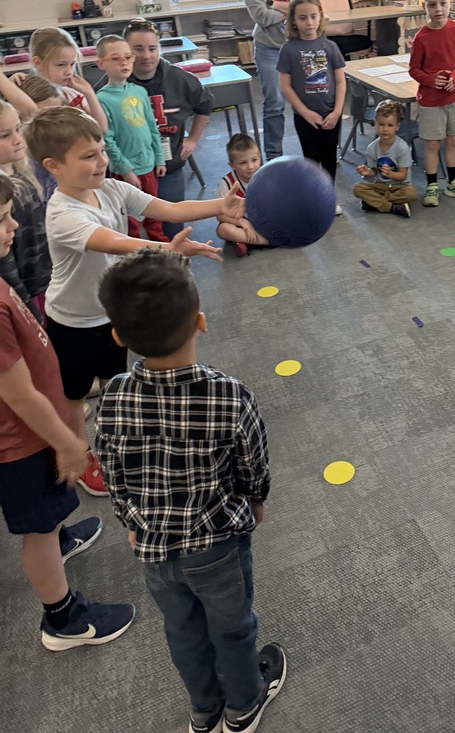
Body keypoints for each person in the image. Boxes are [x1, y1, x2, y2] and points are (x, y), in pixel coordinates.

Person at [95, 250, 286, 733]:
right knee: (233, 625)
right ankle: (243, 705)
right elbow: (253, 464)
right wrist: (255, 502)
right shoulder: (228, 396)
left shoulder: (115, 394)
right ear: (201, 322)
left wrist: (131, 523)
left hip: (154, 549)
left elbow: (113, 472)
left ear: (118, 336)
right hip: (218, 543)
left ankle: (204, 711)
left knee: (182, 629)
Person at [24, 107, 245, 496]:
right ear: (53, 165)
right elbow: (115, 242)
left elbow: (170, 209)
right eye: (88, 156)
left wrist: (217, 207)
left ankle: (114, 441)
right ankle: (82, 454)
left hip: (111, 313)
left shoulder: (110, 189)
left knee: (114, 382)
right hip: (72, 321)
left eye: (101, 151)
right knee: (73, 395)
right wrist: (165, 250)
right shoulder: (62, 213)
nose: (101, 161)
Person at [0, 172, 135, 651]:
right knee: (37, 524)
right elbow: (16, 395)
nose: (14, 225)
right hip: (20, 441)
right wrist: (67, 441)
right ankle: (62, 620)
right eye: (1, 219)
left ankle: (57, 540)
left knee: (49, 518)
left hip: (31, 430)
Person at [120, 19, 213, 239]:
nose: (146, 56)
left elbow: (205, 106)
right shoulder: (115, 82)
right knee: (130, 229)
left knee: (172, 224)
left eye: (152, 49)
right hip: (130, 171)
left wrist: (193, 140)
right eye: (138, 49)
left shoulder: (180, 79)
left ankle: (174, 264)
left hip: (168, 168)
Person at [244, 0, 313, 159]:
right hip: (268, 49)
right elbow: (260, 16)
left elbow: (310, 7)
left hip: (298, 47)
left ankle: (313, 152)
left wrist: (275, 3)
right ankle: (273, 156)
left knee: (307, 99)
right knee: (274, 103)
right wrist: (293, 8)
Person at [276, 0, 346, 214]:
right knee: (311, 160)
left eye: (314, 16)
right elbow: (285, 86)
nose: (309, 22)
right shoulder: (288, 49)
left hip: (330, 115)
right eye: (303, 18)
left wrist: (336, 112)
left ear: (321, 17)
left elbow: (341, 81)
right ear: (294, 21)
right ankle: (314, 197)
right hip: (305, 117)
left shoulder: (330, 47)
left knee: (329, 158)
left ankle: (328, 197)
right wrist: (305, 113)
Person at [408, 0, 455, 207]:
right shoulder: (421, 38)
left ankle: (454, 183)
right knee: (432, 143)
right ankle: (432, 185)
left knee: (454, 140)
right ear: (424, 5)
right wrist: (430, 80)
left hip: (454, 97)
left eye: (443, 3)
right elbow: (414, 69)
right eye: (432, 4)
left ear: (451, 1)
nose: (438, 9)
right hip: (430, 101)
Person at [96, 34, 168, 242]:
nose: (124, 62)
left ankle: (163, 251)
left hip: (149, 167)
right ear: (102, 63)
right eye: (116, 58)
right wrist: (126, 171)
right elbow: (107, 140)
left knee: (155, 213)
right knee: (130, 220)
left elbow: (152, 128)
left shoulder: (140, 91)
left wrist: (159, 158)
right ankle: (134, 256)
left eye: (128, 57)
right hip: (125, 172)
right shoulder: (102, 99)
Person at [0, 101, 51, 322]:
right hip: (25, 290)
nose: (18, 139)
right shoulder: (5, 192)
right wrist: (28, 309)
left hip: (42, 279)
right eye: (4, 135)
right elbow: (6, 263)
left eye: (18, 129)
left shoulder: (22, 171)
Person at [26, 26, 108, 132]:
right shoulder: (33, 98)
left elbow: (101, 128)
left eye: (72, 64)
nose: (69, 72)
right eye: (61, 65)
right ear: (38, 63)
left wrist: (89, 94)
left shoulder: (72, 93)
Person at [353, 99, 418, 218]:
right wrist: (368, 172)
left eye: (390, 125)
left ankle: (375, 202)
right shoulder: (372, 147)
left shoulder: (402, 147)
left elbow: (403, 175)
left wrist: (390, 174)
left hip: (400, 186)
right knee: (358, 188)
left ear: (397, 126)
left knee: (412, 193)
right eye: (381, 124)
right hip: (380, 185)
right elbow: (374, 171)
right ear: (375, 123)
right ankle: (392, 207)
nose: (385, 129)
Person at [18, 75, 65, 210]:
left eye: (58, 113)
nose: (54, 122)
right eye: (46, 116)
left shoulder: (58, 145)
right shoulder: (23, 156)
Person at [216, 133, 264, 256]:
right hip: (241, 224)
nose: (250, 167)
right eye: (243, 163)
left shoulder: (267, 175)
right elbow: (220, 216)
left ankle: (246, 242)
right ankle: (268, 241)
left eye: (254, 160)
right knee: (223, 229)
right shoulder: (226, 183)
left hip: (265, 221)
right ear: (231, 165)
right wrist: (243, 223)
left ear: (260, 157)